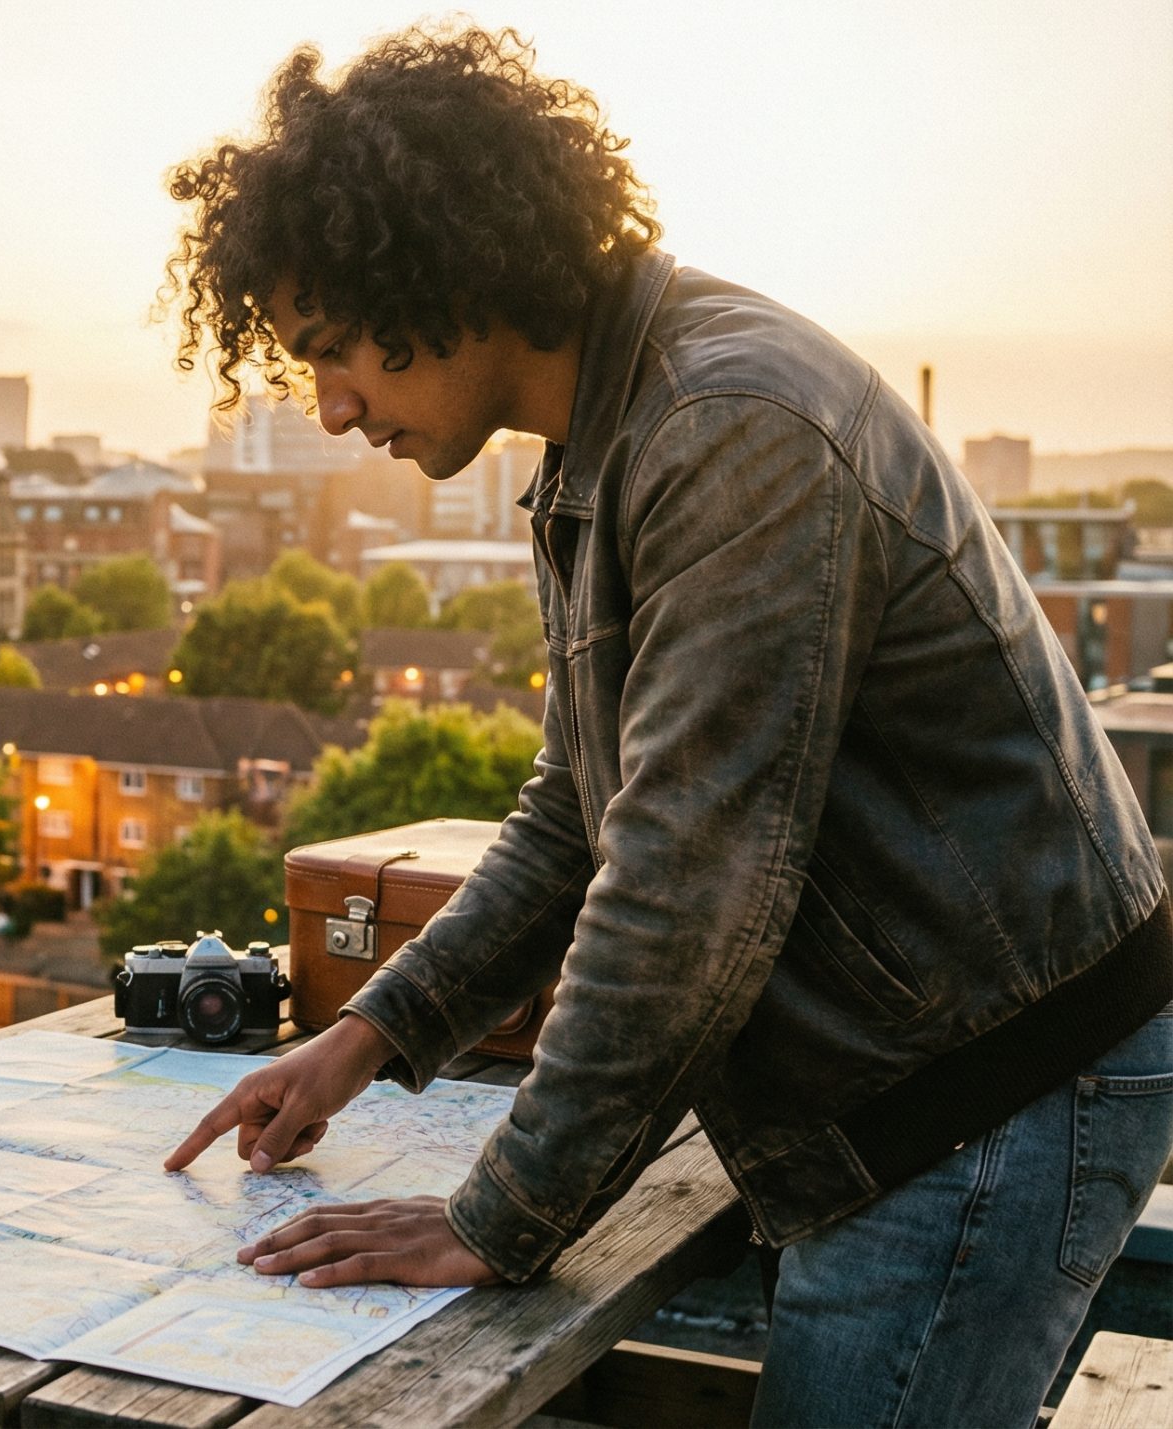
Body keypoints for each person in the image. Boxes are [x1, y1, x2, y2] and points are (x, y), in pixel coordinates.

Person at [153, 27, 1173, 1429]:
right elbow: (580, 810)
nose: (330, 410)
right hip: (925, 1070)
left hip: (987, 1091)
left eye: (335, 353)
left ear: (440, 270)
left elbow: (687, 886)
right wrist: (369, 1035)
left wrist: (498, 1213)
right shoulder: (601, 446)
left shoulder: (725, 430)